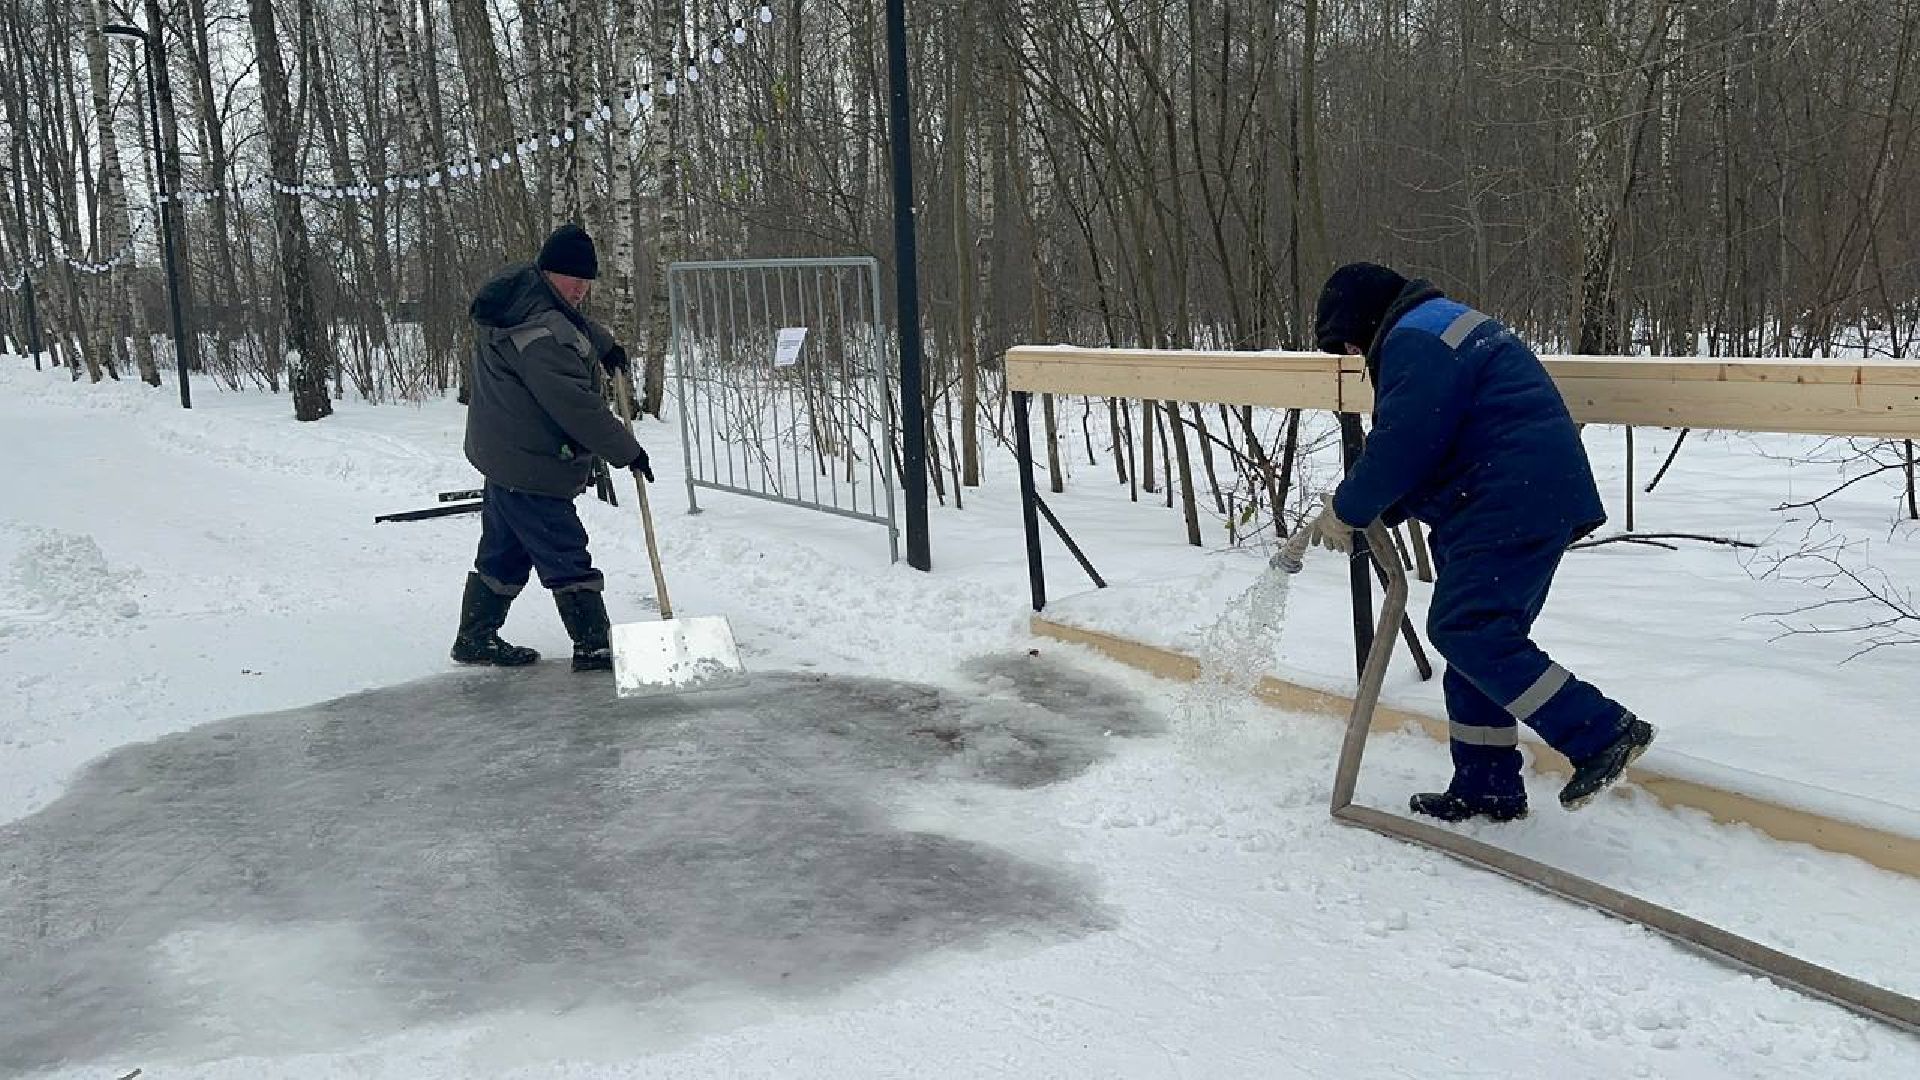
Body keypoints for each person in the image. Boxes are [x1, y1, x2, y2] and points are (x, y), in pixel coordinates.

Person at [1307, 262, 1655, 821]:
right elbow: (1438, 438)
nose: (1351, 351)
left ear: (1364, 319)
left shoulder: (1415, 339)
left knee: (1465, 629)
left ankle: (1601, 732)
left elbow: (1405, 443)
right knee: (1479, 642)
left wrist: (1350, 508)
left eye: (1347, 341)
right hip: (1509, 494)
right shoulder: (1435, 325)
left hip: (1509, 496)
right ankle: (1487, 787)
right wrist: (1378, 507)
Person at [450, 222, 653, 673]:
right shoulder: (538, 334)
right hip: (531, 463)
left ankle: (475, 637)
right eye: (572, 278)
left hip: (505, 454)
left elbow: (571, 323)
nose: (580, 289)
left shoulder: (523, 297)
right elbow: (576, 406)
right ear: (548, 272)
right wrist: (628, 451)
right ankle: (594, 646)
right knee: (563, 548)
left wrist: (605, 347)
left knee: (504, 550)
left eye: (586, 281)